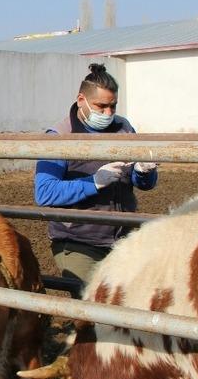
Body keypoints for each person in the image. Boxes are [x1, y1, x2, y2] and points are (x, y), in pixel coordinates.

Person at [34, 63, 157, 293]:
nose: (108, 113)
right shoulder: (60, 136)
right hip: (78, 241)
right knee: (91, 300)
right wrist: (94, 182)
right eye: (101, 106)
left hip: (123, 238)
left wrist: (143, 172)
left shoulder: (124, 128)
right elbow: (44, 192)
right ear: (81, 100)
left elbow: (144, 183)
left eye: (113, 106)